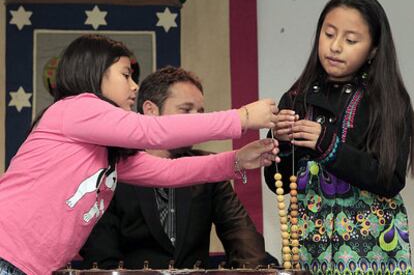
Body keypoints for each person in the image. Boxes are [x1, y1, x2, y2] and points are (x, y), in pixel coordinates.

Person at [0, 34, 280, 275]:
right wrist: (241, 118)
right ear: (94, 72)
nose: (134, 85)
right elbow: (152, 132)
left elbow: (168, 172)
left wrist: (235, 161)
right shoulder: (76, 108)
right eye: (125, 75)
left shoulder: (108, 151)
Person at [264, 0, 413, 274]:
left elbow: (390, 179)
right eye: (328, 33)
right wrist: (280, 144)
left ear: (373, 50)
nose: (335, 46)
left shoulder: (389, 100)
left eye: (351, 40)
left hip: (372, 252)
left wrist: (328, 146)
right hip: (309, 246)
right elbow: (277, 183)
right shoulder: (297, 97)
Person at [79, 66, 269, 270]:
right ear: (150, 110)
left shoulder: (210, 168)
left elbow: (242, 236)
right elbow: (101, 257)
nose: (198, 120)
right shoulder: (114, 170)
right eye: (186, 110)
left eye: (201, 112)